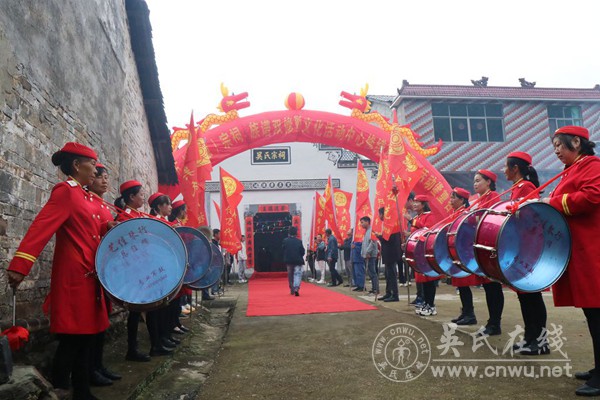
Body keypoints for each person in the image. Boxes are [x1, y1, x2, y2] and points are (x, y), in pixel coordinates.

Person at [7, 142, 109, 400]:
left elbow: (99, 231)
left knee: (87, 337)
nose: (96, 172)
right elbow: (41, 227)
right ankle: (63, 388)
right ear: (77, 165)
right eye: (92, 166)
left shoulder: (87, 197)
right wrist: (21, 265)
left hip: (91, 277)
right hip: (74, 278)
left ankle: (82, 390)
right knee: (73, 339)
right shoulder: (66, 192)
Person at [541, 126, 600, 396]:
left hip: (593, 251)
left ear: (577, 142)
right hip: (581, 250)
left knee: (598, 313)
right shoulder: (576, 168)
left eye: (559, 145)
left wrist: (552, 202)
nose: (556, 151)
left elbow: (591, 197)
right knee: (592, 312)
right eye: (553, 147)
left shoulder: (592, 165)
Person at [115, 181, 172, 360]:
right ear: (131, 197)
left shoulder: (139, 216)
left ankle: (156, 344)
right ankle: (133, 349)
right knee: (135, 312)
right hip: (134, 271)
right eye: (140, 195)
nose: (143, 198)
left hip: (146, 269)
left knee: (153, 308)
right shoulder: (124, 217)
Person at [504, 151, 549, 355]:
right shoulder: (517, 187)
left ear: (515, 168)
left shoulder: (527, 187)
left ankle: (540, 341)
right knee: (524, 295)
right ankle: (530, 338)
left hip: (528, 246)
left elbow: (530, 214)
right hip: (521, 245)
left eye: (507, 166)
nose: (504, 170)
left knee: (531, 295)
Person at [88, 163, 121, 387]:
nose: (105, 181)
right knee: (89, 326)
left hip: (101, 269)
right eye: (100, 177)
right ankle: (90, 370)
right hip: (88, 269)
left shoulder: (100, 204)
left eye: (107, 177)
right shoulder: (84, 200)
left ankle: (98, 366)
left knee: (101, 322)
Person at [473, 169, 504, 336]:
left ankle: (495, 323)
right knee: (487, 286)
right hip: (481, 246)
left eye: (478, 181)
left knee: (493, 286)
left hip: (490, 246)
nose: (475, 184)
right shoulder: (479, 200)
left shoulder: (494, 198)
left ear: (488, 182)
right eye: (474, 181)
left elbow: (490, 220)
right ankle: (491, 322)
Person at [449, 187, 481, 325]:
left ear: (462, 200)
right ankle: (466, 312)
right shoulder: (456, 213)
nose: (451, 200)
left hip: (464, 253)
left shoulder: (466, 214)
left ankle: (470, 314)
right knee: (460, 285)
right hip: (456, 252)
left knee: (463, 284)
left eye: (453, 197)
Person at [409, 196, 441, 316]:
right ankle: (426, 303)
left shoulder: (429, 216)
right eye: (414, 202)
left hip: (426, 251)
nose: (415, 204)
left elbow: (428, 230)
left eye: (417, 202)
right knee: (422, 280)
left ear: (423, 204)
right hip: (418, 252)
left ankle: (431, 305)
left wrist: (412, 221)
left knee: (429, 280)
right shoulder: (417, 217)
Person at [377, 207, 401, 302]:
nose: (379, 216)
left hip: (391, 253)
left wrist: (380, 237)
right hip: (387, 253)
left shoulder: (392, 225)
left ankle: (395, 295)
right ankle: (388, 293)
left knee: (392, 274)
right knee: (388, 274)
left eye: (380, 214)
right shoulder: (386, 225)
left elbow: (389, 240)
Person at [282, 226, 305, 296]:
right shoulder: (299, 241)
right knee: (297, 273)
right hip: (297, 260)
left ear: (289, 233)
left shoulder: (285, 241)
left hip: (288, 260)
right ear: (296, 233)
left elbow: (283, 249)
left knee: (290, 274)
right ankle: (296, 288)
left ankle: (291, 287)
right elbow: (302, 251)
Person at [359, 216, 378, 294]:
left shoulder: (371, 231)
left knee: (373, 272)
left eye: (362, 222)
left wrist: (367, 252)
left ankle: (376, 289)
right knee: (370, 273)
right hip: (366, 255)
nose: (361, 224)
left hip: (370, 255)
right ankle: (374, 288)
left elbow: (372, 243)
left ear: (367, 222)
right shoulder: (366, 231)